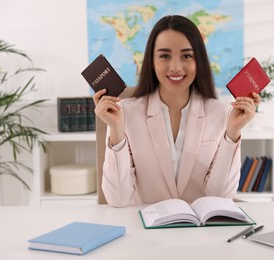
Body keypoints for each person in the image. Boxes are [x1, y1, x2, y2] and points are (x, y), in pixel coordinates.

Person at [93, 15, 260, 207]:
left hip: (200, 231)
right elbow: (118, 199)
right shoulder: (125, 113)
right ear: (152, 61)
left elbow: (220, 198)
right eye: (164, 56)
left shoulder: (221, 113)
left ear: (199, 61)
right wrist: (115, 130)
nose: (176, 67)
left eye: (187, 56)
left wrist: (232, 134)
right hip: (144, 229)